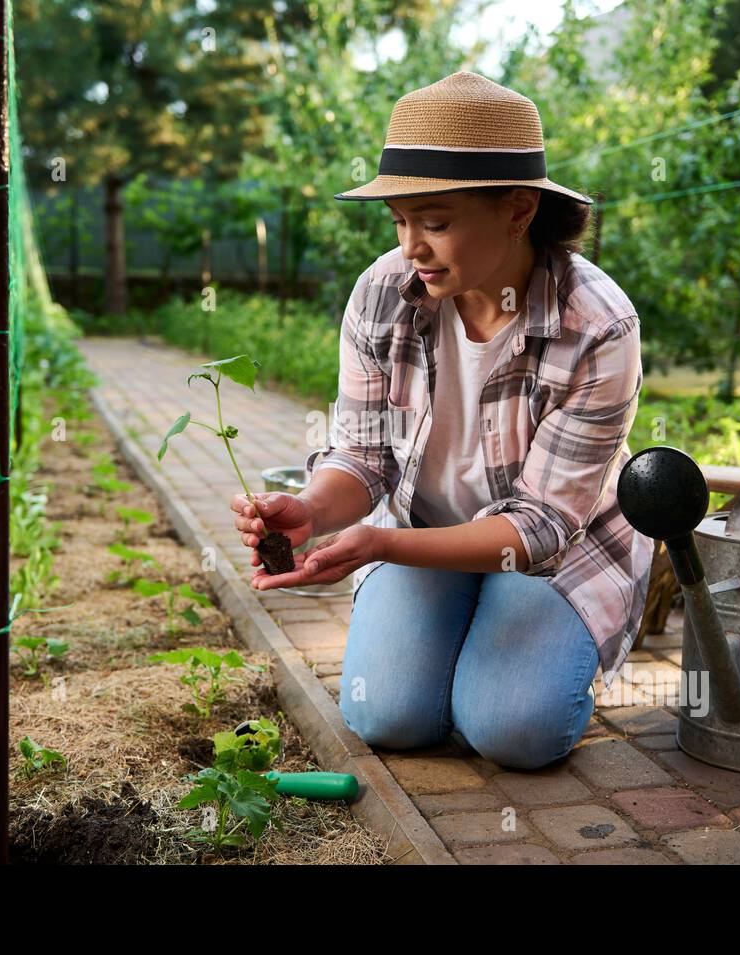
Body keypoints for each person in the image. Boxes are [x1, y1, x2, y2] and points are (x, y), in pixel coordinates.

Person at [229, 71, 653, 770]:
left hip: (549, 559)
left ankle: (507, 642)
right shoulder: (382, 292)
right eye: (399, 221)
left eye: (435, 220)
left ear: (518, 211)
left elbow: (541, 528)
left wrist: (380, 548)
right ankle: (463, 629)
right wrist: (309, 509)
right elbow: (363, 457)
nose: (411, 246)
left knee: (513, 729)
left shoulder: (599, 326)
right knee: (386, 712)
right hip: (423, 535)